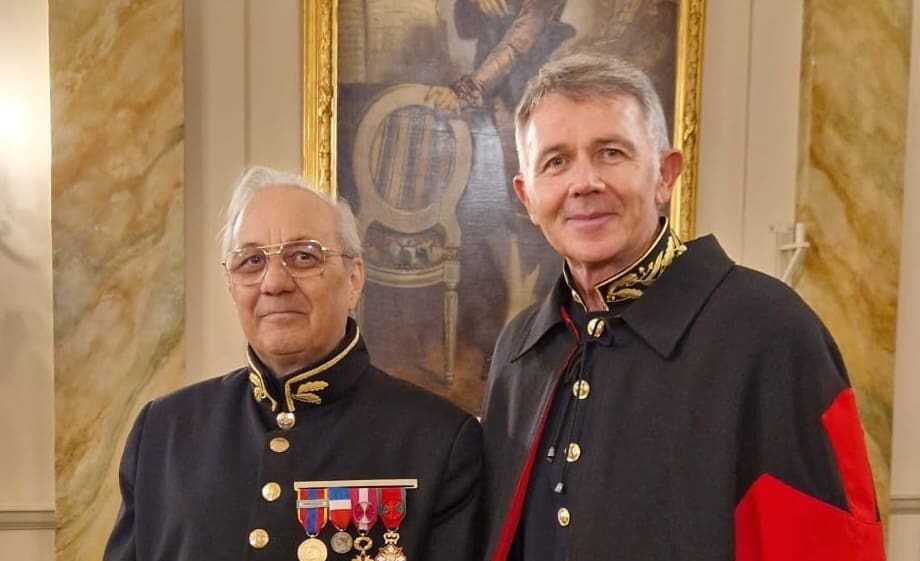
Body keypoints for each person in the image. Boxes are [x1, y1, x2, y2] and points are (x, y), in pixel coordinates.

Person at [479, 53, 884, 561]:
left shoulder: (771, 331)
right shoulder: (518, 349)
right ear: (527, 197)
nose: (584, 183)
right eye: (556, 162)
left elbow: (823, 546)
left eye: (610, 152)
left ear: (665, 175)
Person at [103, 166, 482, 561]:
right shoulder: (163, 432)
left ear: (354, 278)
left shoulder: (438, 442)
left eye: (303, 257)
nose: (274, 283)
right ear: (231, 286)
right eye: (251, 261)